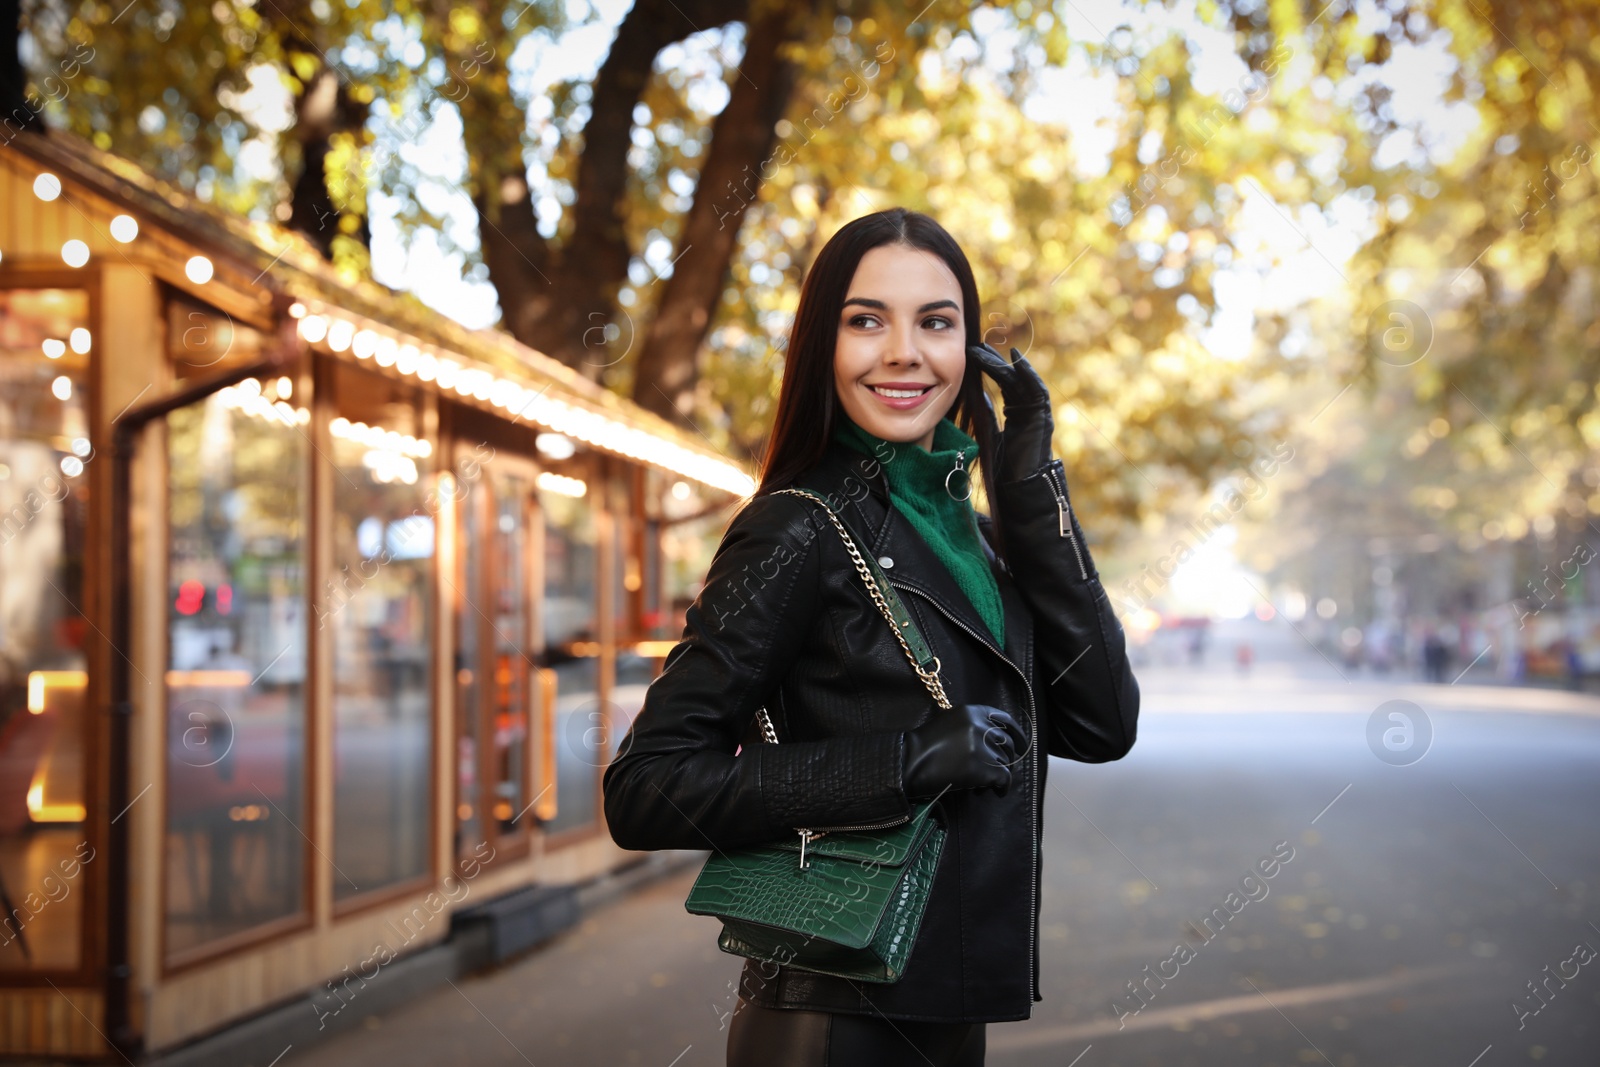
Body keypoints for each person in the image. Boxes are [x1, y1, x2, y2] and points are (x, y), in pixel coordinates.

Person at [602, 208, 1140, 1066]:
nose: (903, 352)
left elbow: (1103, 723)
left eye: (936, 321)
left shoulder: (972, 534)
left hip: (950, 1012)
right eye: (866, 321)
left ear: (968, 349)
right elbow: (646, 787)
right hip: (832, 1018)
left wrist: (1033, 485)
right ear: (824, 345)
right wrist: (902, 763)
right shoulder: (796, 529)